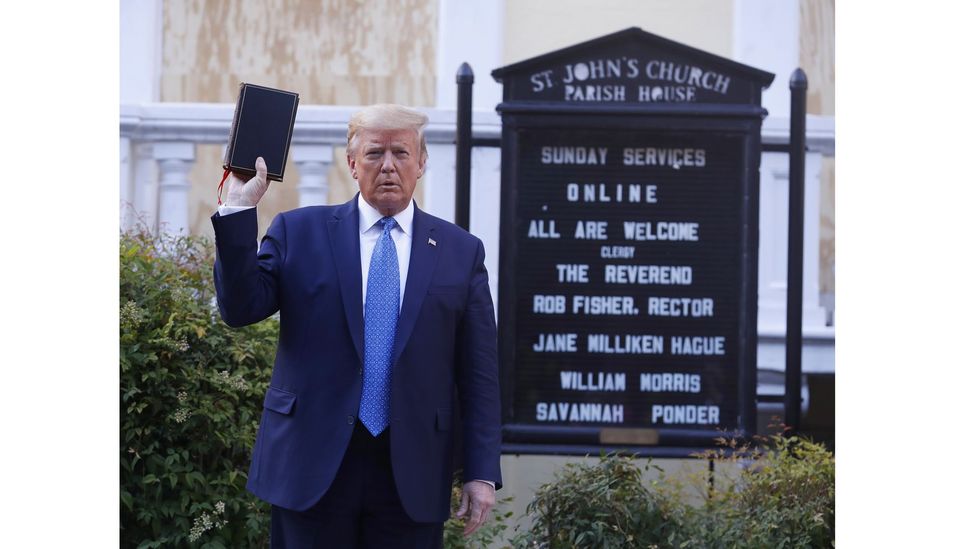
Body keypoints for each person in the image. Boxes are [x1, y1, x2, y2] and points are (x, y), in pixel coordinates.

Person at [211, 103, 502, 548]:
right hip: (311, 464)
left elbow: (479, 373)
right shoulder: (299, 232)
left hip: (414, 470)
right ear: (352, 163)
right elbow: (240, 308)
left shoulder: (461, 252)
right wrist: (237, 208)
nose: (388, 166)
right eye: (374, 153)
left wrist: (481, 471)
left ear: (421, 163)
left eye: (401, 153)